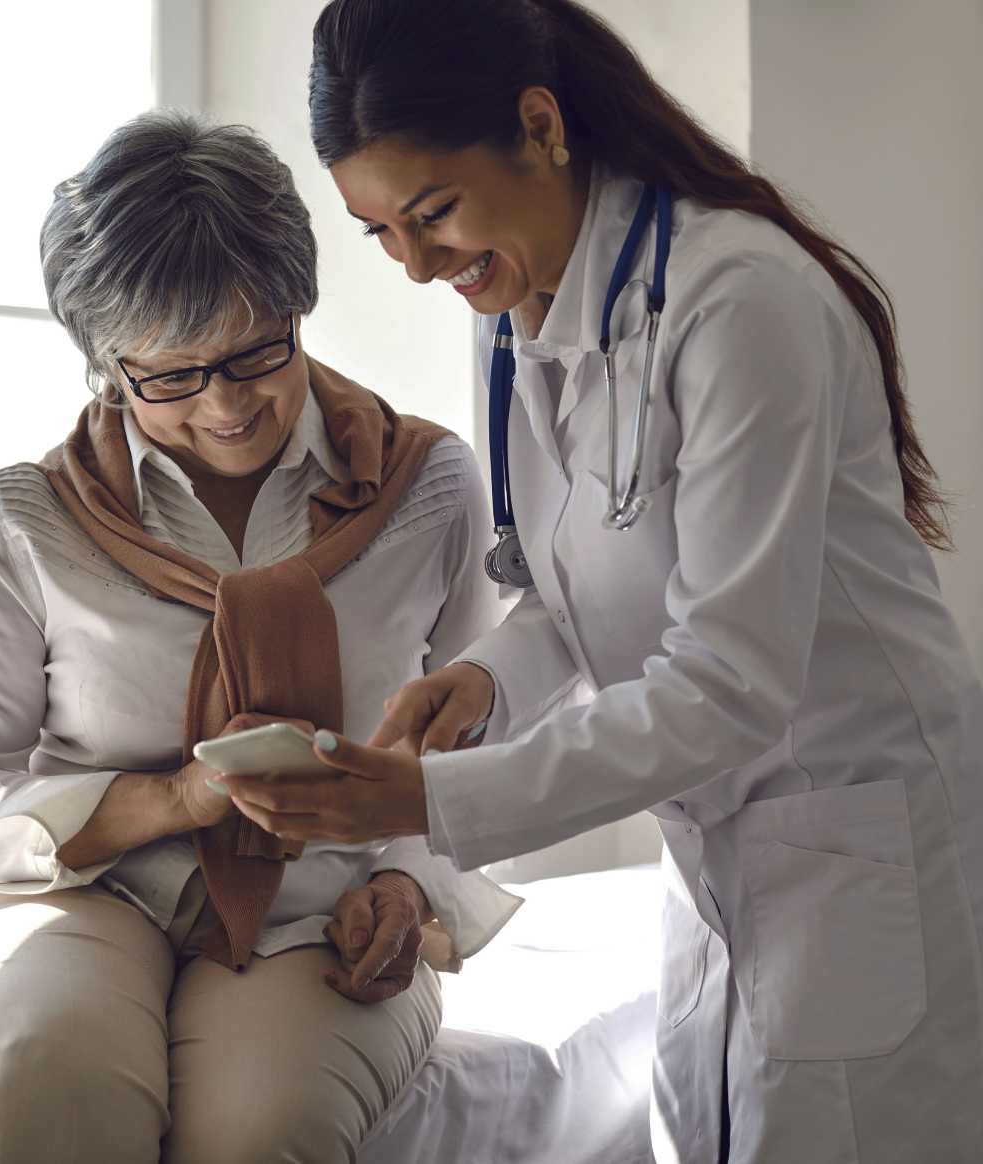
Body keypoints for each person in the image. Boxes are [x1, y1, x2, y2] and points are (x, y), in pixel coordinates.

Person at [214, 1, 983, 1160]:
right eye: (381, 234)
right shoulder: (515, 312)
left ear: (539, 124)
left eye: (432, 213)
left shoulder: (737, 300)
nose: (420, 267)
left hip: (854, 829)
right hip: (720, 851)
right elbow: (579, 587)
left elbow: (727, 682)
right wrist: (481, 680)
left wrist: (420, 803)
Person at [0, 110, 520, 1164]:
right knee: (47, 1097)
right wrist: (166, 804)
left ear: (298, 310)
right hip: (75, 893)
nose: (224, 406)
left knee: (259, 1137)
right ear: (104, 364)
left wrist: (407, 887)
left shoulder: (428, 487)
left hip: (326, 907)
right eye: (170, 375)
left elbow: (483, 750)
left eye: (254, 354)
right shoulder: (32, 516)